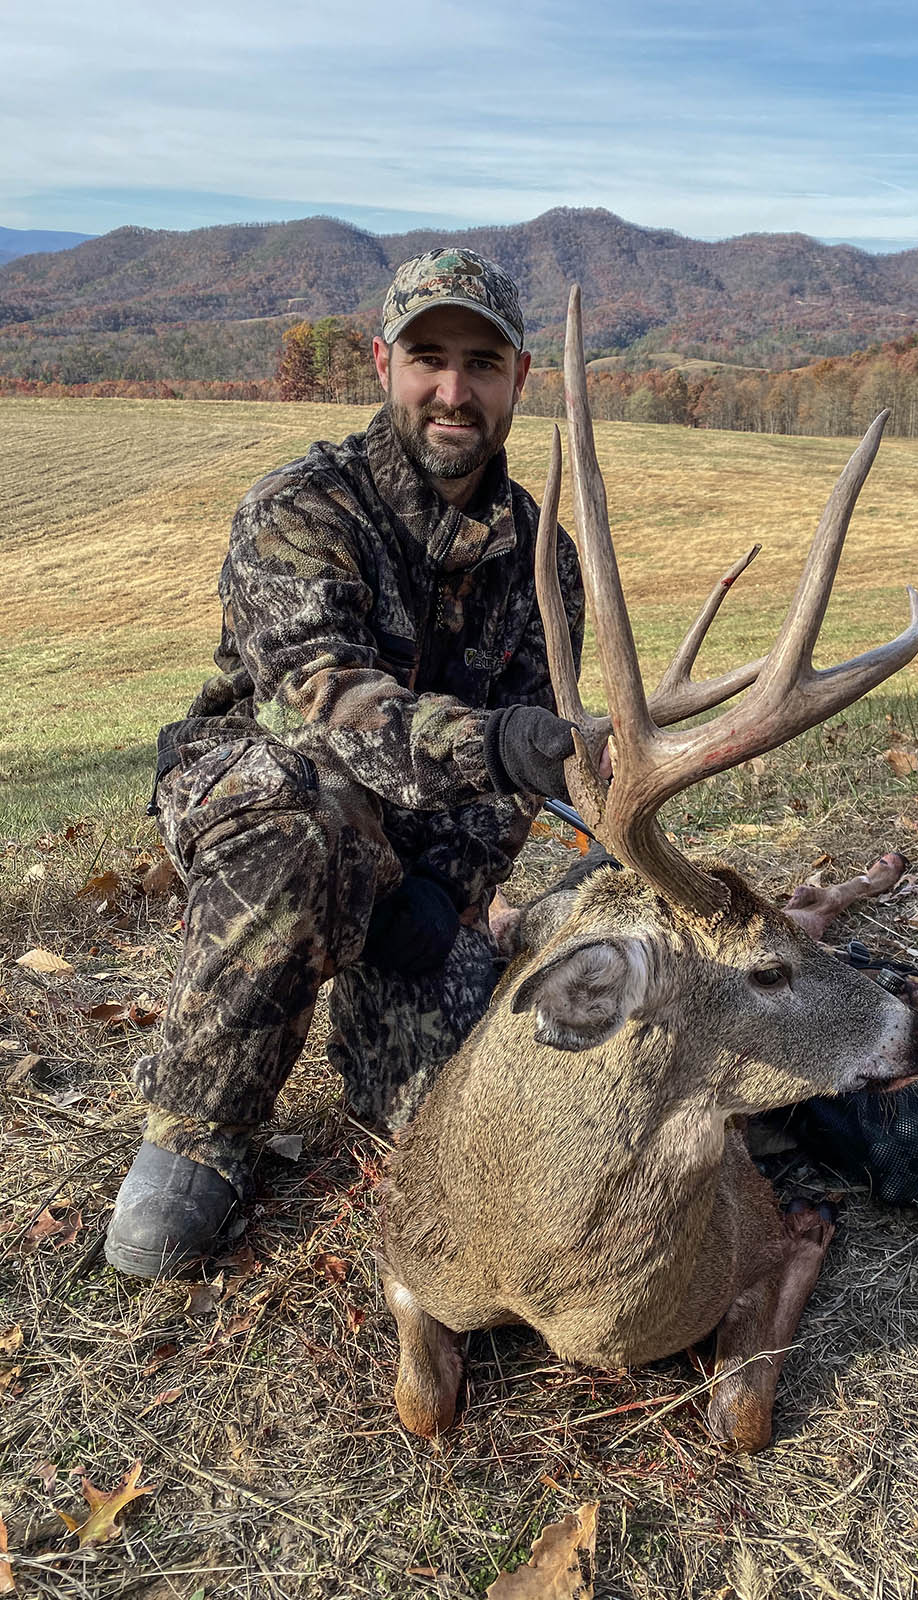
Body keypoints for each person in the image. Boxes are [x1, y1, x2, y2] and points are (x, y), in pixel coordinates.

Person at [104, 248, 585, 1280]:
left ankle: (398, 982)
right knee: (306, 827)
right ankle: (201, 1128)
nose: (452, 391)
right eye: (428, 358)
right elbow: (320, 701)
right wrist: (491, 743)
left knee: (462, 1107)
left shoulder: (545, 559)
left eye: (480, 364)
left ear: (518, 378)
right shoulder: (301, 508)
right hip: (267, 793)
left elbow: (527, 773)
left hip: (413, 856)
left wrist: (448, 886)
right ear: (382, 364)